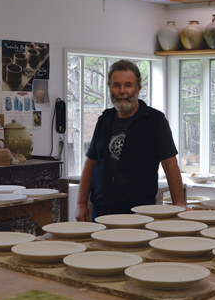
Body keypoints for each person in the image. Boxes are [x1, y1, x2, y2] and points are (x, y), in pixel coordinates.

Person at [75, 60, 186, 221]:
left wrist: (179, 202)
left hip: (140, 213)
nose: (122, 91)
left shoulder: (155, 121)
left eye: (128, 85)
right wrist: (80, 203)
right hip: (101, 212)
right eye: (116, 85)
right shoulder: (104, 120)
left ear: (138, 88)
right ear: (110, 88)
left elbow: (170, 164)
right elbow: (90, 163)